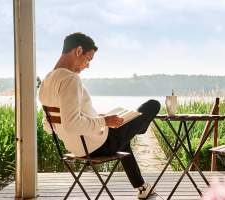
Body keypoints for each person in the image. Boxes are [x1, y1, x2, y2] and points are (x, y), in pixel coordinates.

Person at [39, 32, 160, 199]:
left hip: (76, 148)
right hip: (98, 146)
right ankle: (141, 129)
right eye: (88, 59)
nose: (87, 65)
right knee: (153, 105)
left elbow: (48, 126)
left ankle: (142, 188)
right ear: (78, 51)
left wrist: (96, 117)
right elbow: (71, 124)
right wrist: (104, 121)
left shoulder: (47, 81)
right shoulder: (70, 79)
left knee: (123, 141)